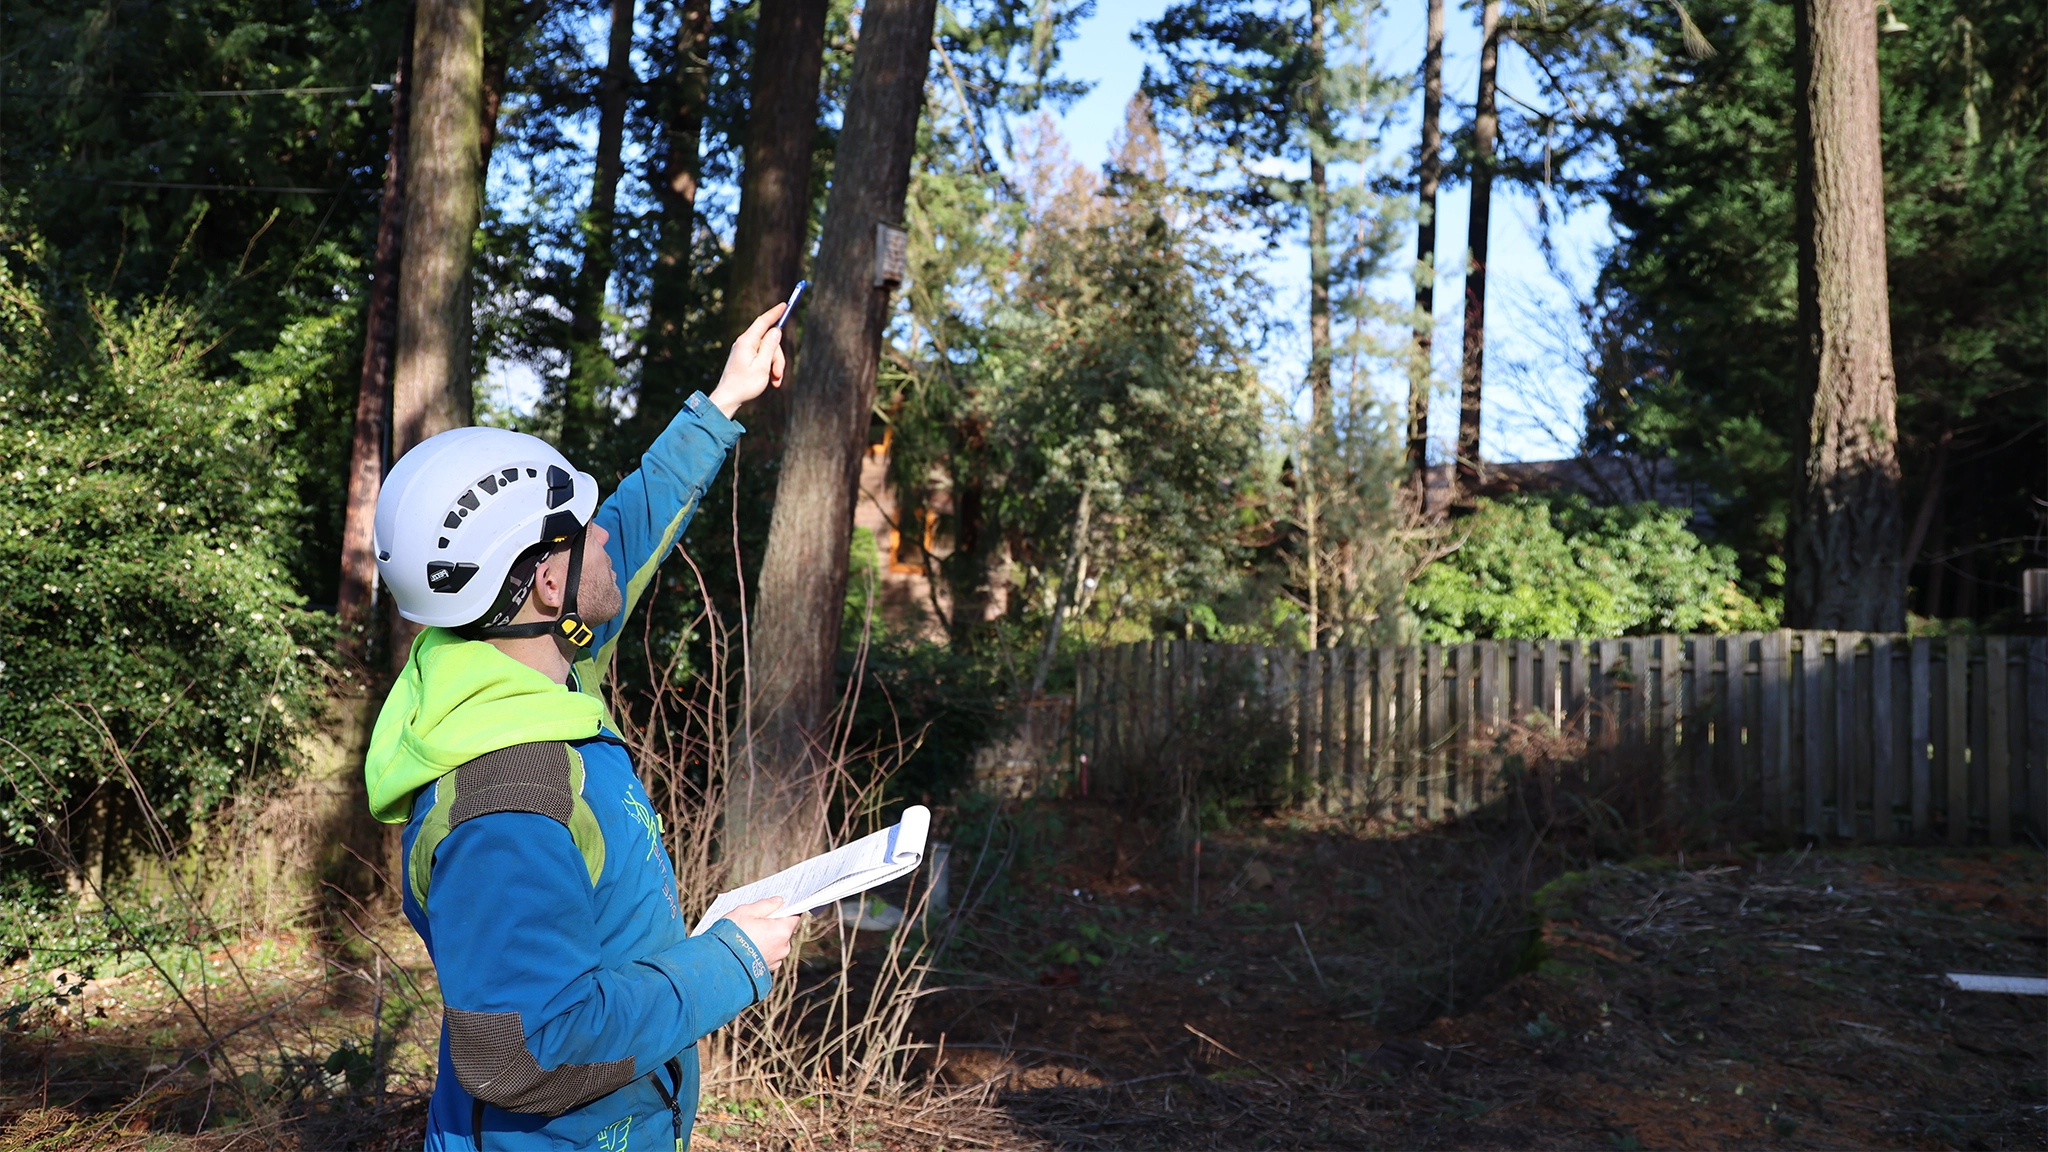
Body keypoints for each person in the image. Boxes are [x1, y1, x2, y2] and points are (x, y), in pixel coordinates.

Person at [362, 307, 804, 1152]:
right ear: (544, 583)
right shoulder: (506, 803)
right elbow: (522, 1054)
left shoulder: (533, 662)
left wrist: (724, 400)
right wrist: (731, 961)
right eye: (582, 525)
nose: (605, 531)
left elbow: (633, 529)